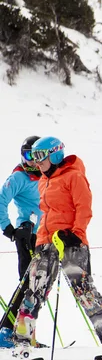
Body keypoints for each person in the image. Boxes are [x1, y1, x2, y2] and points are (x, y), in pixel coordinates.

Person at [12, 136, 102, 360]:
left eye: (40, 157)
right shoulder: (43, 180)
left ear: (54, 154)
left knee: (83, 290)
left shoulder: (74, 176)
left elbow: (84, 207)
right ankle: (22, 342)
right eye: (33, 157)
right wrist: (38, 239)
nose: (36, 162)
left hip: (70, 240)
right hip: (46, 241)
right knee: (35, 289)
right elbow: (46, 212)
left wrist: (76, 234)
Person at [0, 136, 42, 348]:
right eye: (27, 156)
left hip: (45, 235)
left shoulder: (45, 174)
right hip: (27, 233)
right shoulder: (18, 177)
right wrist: (8, 228)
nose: (31, 162)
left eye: (34, 156)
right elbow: (1, 199)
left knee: (38, 287)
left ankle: (24, 334)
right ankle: (6, 331)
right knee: (28, 285)